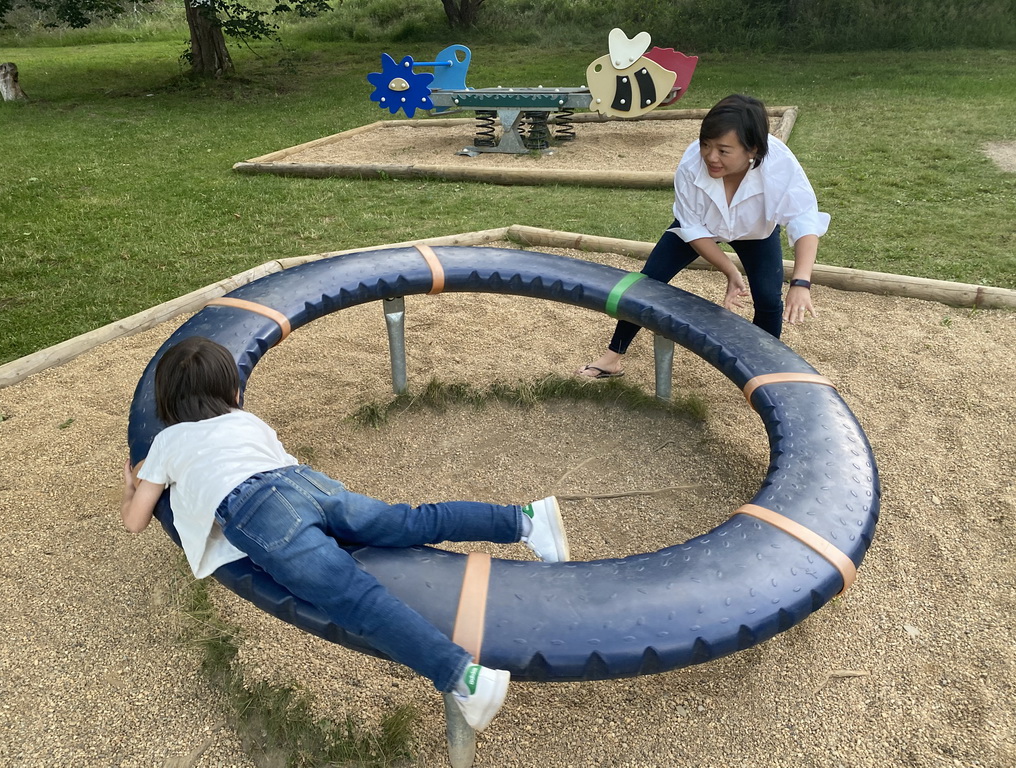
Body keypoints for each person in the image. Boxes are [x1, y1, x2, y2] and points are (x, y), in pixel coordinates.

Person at [121, 336, 570, 732]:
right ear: (232, 391)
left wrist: (132, 486)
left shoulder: (168, 441)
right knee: (411, 521)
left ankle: (462, 677)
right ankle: (524, 519)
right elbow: (279, 462)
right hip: (306, 482)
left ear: (168, 403)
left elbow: (135, 519)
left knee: (353, 597)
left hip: (258, 511)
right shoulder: (248, 421)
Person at [576, 93, 830, 379]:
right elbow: (693, 229)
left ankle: (764, 375)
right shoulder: (690, 165)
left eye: (723, 150)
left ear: (753, 150)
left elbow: (804, 219)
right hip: (701, 228)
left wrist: (801, 282)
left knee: (769, 300)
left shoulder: (780, 166)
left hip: (756, 232)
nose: (711, 157)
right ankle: (612, 357)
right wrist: (729, 269)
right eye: (706, 145)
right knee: (646, 282)